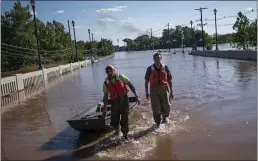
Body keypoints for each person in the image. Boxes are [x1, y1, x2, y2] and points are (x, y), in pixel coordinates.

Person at [102, 65, 140, 139]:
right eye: (107, 72)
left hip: (124, 100)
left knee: (124, 119)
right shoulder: (106, 83)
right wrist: (104, 109)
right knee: (114, 122)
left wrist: (136, 96)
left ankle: (125, 135)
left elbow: (130, 85)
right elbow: (106, 97)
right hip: (114, 102)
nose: (109, 73)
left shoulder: (121, 77)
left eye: (111, 71)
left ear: (114, 71)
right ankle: (117, 130)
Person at [144, 53, 174, 127]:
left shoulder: (165, 67)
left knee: (167, 105)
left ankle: (164, 118)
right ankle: (157, 122)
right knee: (155, 107)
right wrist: (146, 92)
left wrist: (171, 91)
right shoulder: (150, 68)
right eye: (156, 59)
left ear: (161, 59)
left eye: (159, 58)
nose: (158, 60)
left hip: (164, 88)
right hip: (154, 89)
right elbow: (146, 81)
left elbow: (169, 80)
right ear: (153, 59)